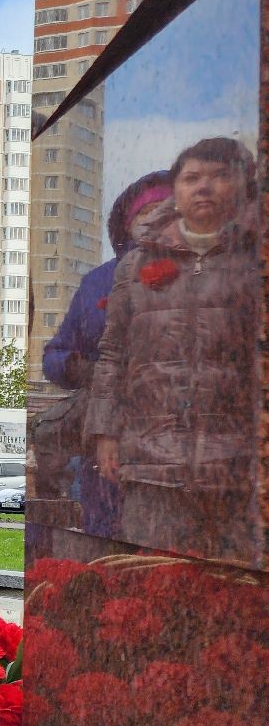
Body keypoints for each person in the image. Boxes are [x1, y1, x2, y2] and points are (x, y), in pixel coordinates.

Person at [86, 137, 260, 561]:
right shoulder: (137, 264)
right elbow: (113, 353)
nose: (205, 187)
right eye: (192, 178)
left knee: (230, 592)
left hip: (237, 466)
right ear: (176, 191)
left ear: (240, 188)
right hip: (152, 461)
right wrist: (105, 433)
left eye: (220, 176)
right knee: (153, 582)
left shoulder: (255, 259)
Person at [40, 171, 171, 536]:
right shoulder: (98, 281)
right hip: (104, 432)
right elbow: (55, 353)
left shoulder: (198, 271)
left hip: (165, 432)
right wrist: (78, 368)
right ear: (127, 223)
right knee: (104, 531)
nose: (153, 219)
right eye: (144, 212)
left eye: (164, 208)